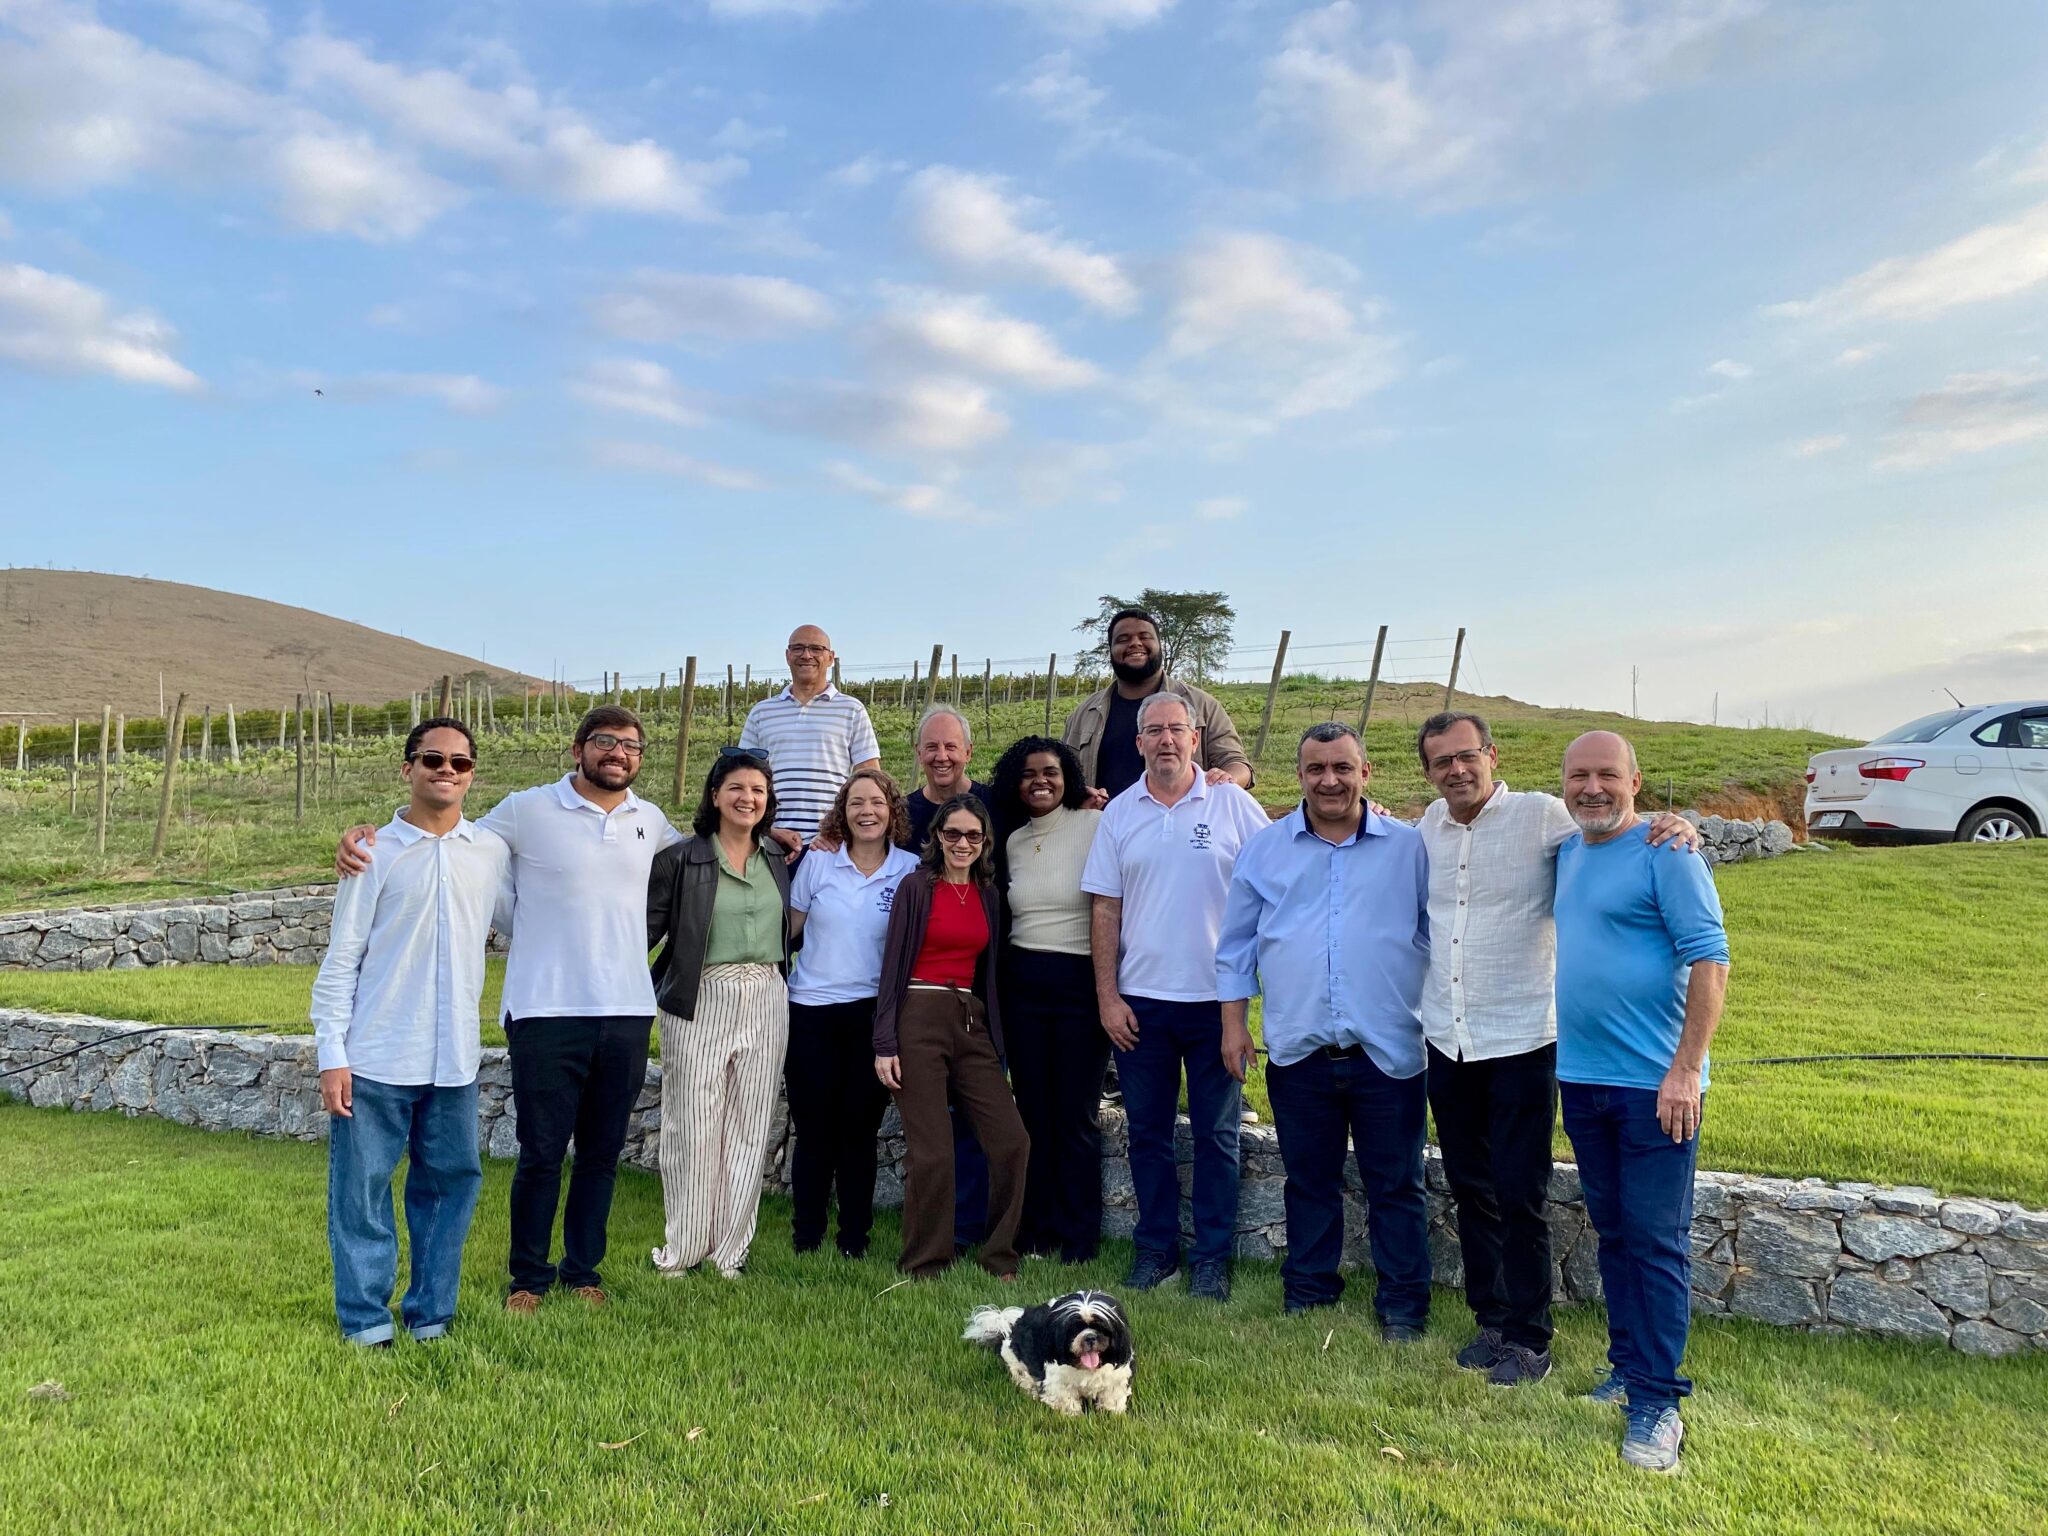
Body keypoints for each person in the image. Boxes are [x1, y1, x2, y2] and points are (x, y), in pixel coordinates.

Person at [338, 705, 681, 1313]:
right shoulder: (526, 809)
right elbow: (446, 834)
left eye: (631, 746)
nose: (618, 753)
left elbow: (709, 854)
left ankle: (583, 1272)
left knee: (602, 1155)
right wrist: (364, 836)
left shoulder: (650, 820)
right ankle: (528, 1279)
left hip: (627, 1010)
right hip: (543, 1010)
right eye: (605, 741)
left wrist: (785, 840)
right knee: (541, 1154)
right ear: (577, 749)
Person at [1415, 710, 1699, 1387]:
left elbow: (1616, 829)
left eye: (1467, 755)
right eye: (1442, 761)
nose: (1457, 769)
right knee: (1470, 1189)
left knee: (1520, 1193)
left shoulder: (1544, 816)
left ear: (1492, 755)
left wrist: (1683, 825)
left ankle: (1530, 1337)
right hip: (1448, 1038)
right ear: (1428, 772)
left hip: (1522, 1039)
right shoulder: (1425, 827)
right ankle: (1491, 1319)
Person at [1217, 723, 1431, 1338]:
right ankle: (1309, 1290)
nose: (1329, 780)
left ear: (1366, 772)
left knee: (1397, 1185)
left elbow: (1438, 932)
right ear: (1300, 775)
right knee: (1309, 1181)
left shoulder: (1410, 848)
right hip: (1299, 1049)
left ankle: (1403, 1304)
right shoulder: (1264, 849)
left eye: (1342, 767)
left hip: (1388, 1050)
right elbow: (1235, 947)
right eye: (1316, 768)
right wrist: (1234, 1027)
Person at [1553, 730, 1730, 1473]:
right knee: (1616, 1233)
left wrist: (1686, 1070)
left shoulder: (1669, 852)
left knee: (1657, 1240)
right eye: (1579, 776)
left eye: (1607, 775)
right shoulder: (1567, 852)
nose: (1592, 788)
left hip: (1656, 1088)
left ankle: (1659, 1404)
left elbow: (1711, 960)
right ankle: (1627, 1368)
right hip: (1581, 1077)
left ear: (1635, 781)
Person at [312, 717, 510, 1347]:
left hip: (454, 1060)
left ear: (472, 775)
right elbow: (341, 958)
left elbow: (534, 914)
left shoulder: (491, 852)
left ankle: (431, 1316)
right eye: (432, 759)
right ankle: (366, 1319)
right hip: (377, 1055)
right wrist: (331, 1053)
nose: (446, 770)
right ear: (408, 768)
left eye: (459, 762)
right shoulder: (372, 853)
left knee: (449, 1189)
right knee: (362, 1193)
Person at [1082, 691, 1274, 1300]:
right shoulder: (1120, 814)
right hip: (1141, 1005)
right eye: (1155, 730)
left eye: (1177, 729)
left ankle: (1211, 1258)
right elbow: (1104, 909)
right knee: (1148, 1134)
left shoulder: (1232, 803)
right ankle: (1156, 1250)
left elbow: (1282, 868)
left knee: (1218, 1136)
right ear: (1138, 742)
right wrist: (1108, 998)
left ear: (1195, 738)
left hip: (1220, 1004)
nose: (1166, 739)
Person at [644, 746, 795, 1277]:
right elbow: (642, 936)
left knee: (750, 1128)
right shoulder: (680, 860)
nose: (747, 798)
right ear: (715, 795)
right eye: (736, 788)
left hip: (768, 994)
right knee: (692, 1126)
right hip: (700, 995)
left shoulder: (777, 857)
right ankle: (683, 1250)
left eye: (758, 790)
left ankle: (731, 1252)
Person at [872, 794, 1030, 1279]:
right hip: (917, 1016)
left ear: (985, 842)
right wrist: (885, 1043)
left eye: (973, 835)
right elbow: (892, 966)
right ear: (938, 836)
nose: (963, 843)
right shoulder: (917, 887)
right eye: (953, 833)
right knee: (933, 1151)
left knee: (1012, 1140)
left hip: (969, 1019)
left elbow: (989, 975)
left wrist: (994, 1039)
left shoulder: (987, 894)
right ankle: (925, 1259)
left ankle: (998, 1253)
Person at [782, 766, 920, 1257]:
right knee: (813, 1129)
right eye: (856, 802)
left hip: (874, 1018)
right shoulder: (819, 863)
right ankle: (807, 1234)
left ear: (892, 812)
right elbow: (788, 932)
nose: (867, 811)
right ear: (842, 811)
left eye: (877, 802)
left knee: (859, 1130)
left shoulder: (909, 869)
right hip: (811, 1012)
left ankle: (854, 1238)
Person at [990, 735, 1106, 1262]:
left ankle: (1080, 1235)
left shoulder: (1094, 824)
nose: (1040, 781)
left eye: (1051, 772)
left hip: (1080, 979)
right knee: (1032, 1111)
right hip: (1023, 982)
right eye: (1029, 773)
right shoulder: (1013, 841)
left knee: (1076, 1113)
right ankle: (1036, 1229)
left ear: (1069, 779)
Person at [1062, 608, 1253, 804]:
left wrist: (1222, 783)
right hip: (1103, 822)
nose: (1135, 643)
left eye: (1144, 637)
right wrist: (1078, 795)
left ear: (1160, 646)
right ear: (1110, 650)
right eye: (1123, 639)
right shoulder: (1083, 714)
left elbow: (1238, 765)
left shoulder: (1202, 705)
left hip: (1181, 820)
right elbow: (1063, 776)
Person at [740, 625, 881, 856]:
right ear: (788, 656)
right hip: (771, 843)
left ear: (830, 657)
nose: (806, 655)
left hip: (831, 845)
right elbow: (743, 776)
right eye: (798, 648)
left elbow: (870, 776)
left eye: (816, 649)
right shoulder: (761, 713)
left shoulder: (852, 710)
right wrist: (767, 831)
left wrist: (841, 829)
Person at [904, 706, 994, 850]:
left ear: (968, 752)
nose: (941, 757)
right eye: (932, 747)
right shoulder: (903, 814)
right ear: (919, 753)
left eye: (950, 747)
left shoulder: (994, 806)